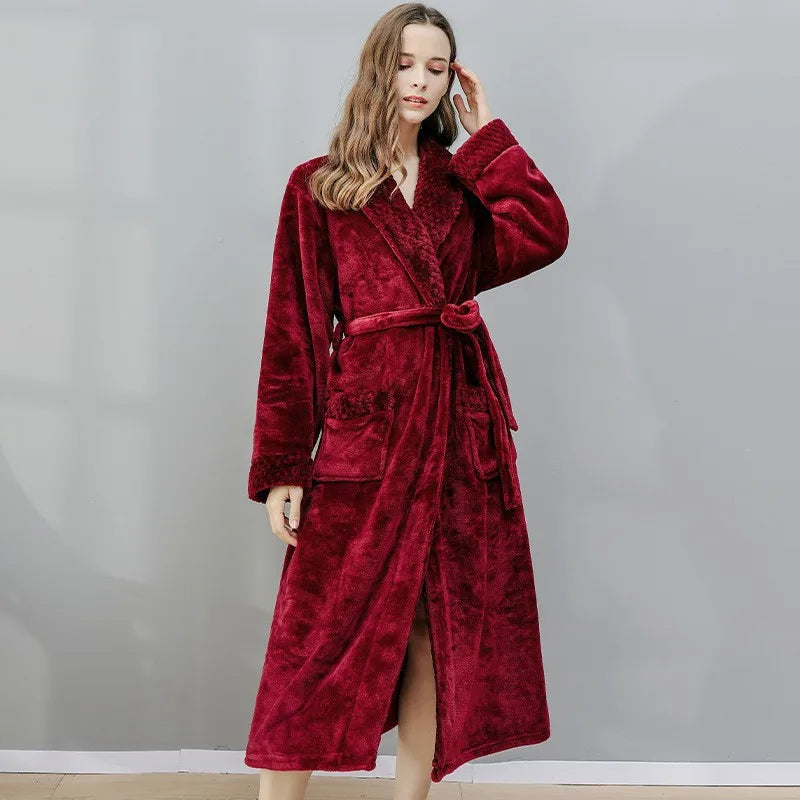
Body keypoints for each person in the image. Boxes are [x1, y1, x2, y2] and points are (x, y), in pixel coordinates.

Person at [243, 4, 569, 799]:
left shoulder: (463, 186)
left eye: (437, 67)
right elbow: (293, 332)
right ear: (376, 68)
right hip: (368, 434)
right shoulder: (319, 187)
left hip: (456, 430)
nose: (419, 80)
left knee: (435, 631)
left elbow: (544, 233)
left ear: (453, 81)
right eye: (405, 63)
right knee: (315, 635)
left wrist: (490, 139)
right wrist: (285, 465)